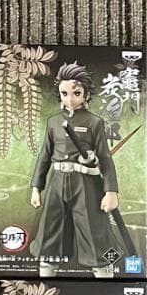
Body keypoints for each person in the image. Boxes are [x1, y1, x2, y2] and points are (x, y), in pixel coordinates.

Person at [29, 62, 119, 278]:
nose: (70, 99)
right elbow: (44, 155)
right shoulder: (53, 122)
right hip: (58, 181)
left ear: (86, 94)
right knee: (50, 228)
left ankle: (106, 276)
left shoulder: (94, 122)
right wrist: (36, 187)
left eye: (76, 93)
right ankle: (47, 276)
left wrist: (111, 191)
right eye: (64, 93)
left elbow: (105, 158)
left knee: (93, 229)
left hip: (85, 183)